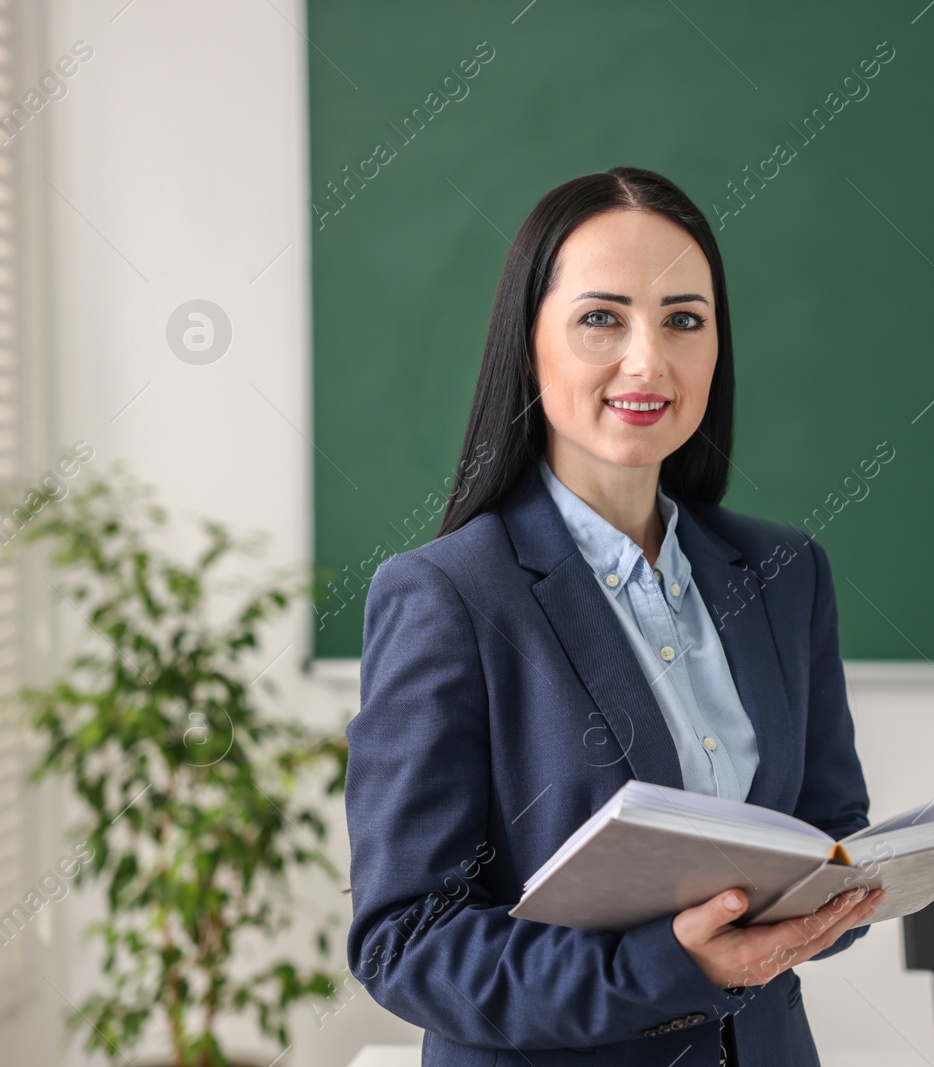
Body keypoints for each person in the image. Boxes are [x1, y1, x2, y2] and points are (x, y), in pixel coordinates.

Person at [345, 166, 884, 1067]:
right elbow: (406, 940)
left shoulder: (788, 574)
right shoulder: (448, 595)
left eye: (684, 319)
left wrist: (838, 904)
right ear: (529, 345)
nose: (649, 360)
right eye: (602, 317)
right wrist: (671, 964)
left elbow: (830, 831)